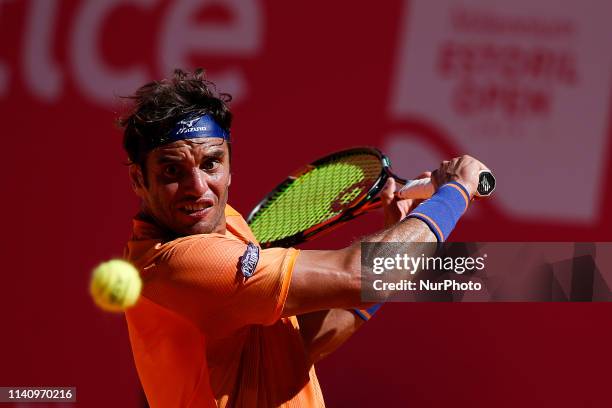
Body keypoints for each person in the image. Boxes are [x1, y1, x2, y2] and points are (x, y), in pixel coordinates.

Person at [120, 68, 489, 408]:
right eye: (172, 170)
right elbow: (357, 275)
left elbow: (295, 346)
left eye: (211, 163)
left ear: (230, 163)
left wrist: (391, 246)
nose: (197, 187)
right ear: (139, 179)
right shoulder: (177, 263)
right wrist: (454, 193)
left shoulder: (223, 223)